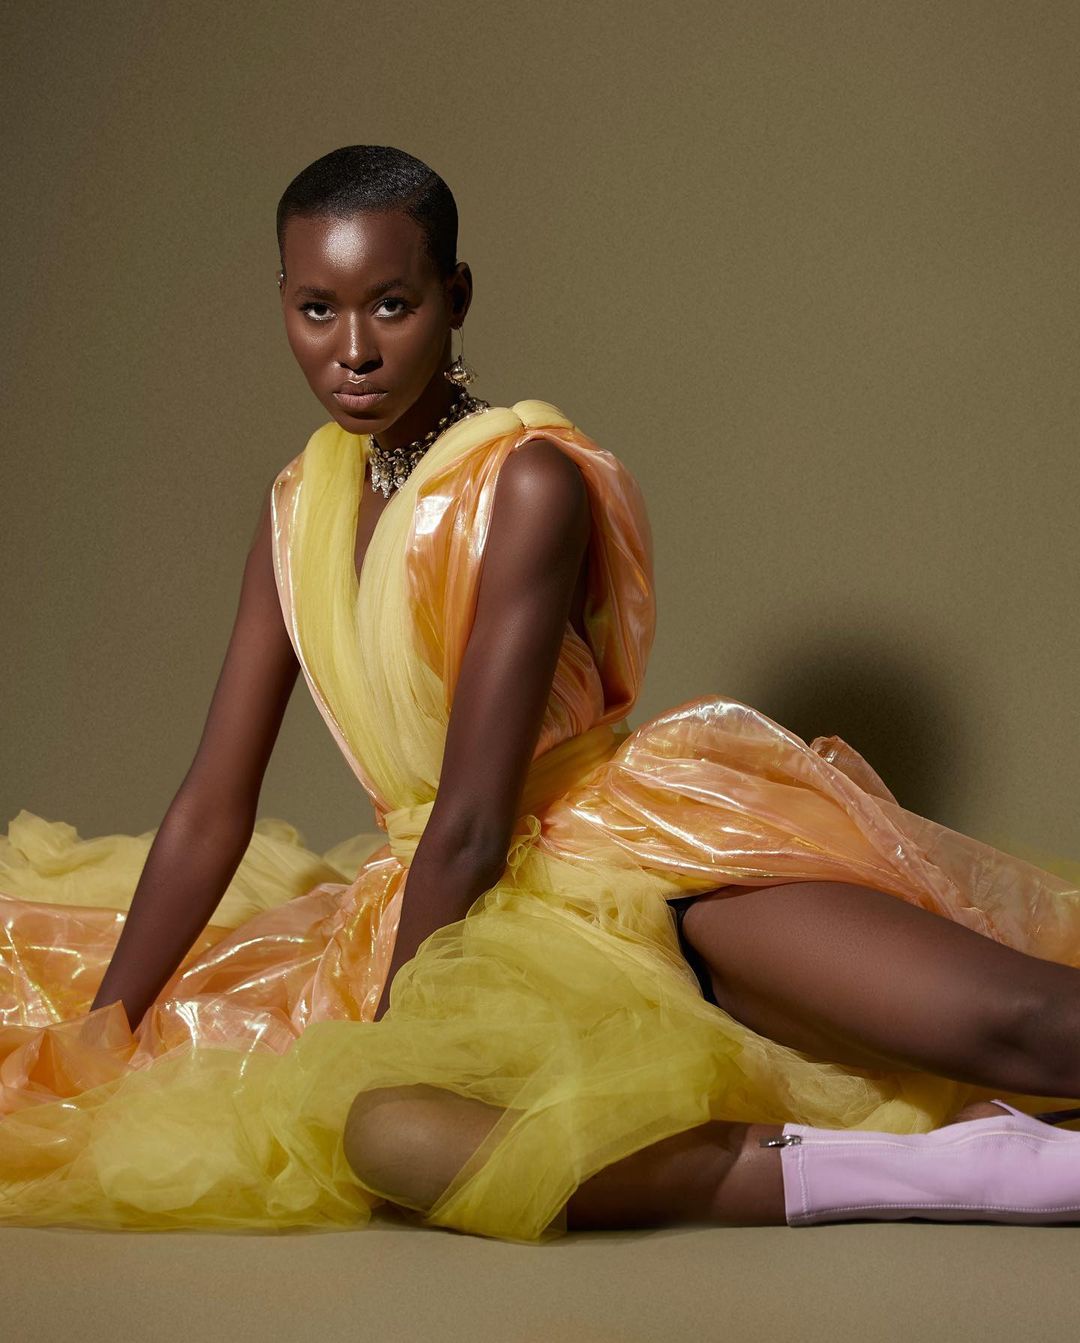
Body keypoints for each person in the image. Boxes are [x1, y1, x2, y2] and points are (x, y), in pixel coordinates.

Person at [2, 144, 1080, 1241]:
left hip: (638, 856)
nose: (354, 350)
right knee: (395, 1137)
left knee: (1027, 1023)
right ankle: (942, 1169)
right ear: (283, 301)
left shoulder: (525, 480)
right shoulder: (294, 509)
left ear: (456, 295)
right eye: (317, 310)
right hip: (469, 918)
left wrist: (400, 1030)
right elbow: (209, 807)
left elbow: (474, 822)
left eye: (392, 304)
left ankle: (972, 1121)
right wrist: (101, 1030)